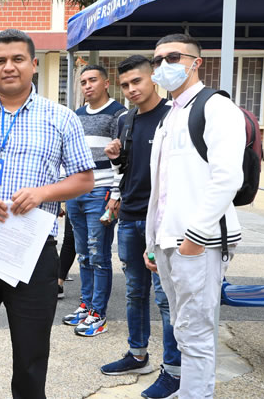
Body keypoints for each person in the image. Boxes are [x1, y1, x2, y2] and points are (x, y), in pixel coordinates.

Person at [0, 29, 95, 397]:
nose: (9, 67)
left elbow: (84, 179)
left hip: (34, 251)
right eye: (0, 61)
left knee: (31, 350)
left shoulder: (61, 118)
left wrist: (44, 192)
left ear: (34, 65)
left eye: (17, 59)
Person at [146, 33, 244, 398]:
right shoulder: (170, 115)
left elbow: (227, 178)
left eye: (172, 57)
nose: (162, 66)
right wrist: (151, 241)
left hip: (198, 244)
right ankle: (190, 390)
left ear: (195, 62)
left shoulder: (216, 107)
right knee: (182, 327)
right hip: (168, 241)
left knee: (198, 330)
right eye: (156, 60)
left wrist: (195, 238)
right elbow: (164, 186)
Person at [100, 55, 180, 398]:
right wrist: (117, 157)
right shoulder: (126, 120)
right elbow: (127, 170)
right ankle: (138, 354)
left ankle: (175, 370)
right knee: (134, 291)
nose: (132, 90)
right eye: (126, 85)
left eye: (137, 82)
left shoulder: (174, 116)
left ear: (153, 80)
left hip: (161, 220)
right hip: (130, 216)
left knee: (165, 297)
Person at [61, 64, 124, 337]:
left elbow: (123, 161)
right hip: (76, 192)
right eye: (83, 81)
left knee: (99, 256)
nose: (87, 86)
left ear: (106, 83)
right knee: (83, 254)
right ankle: (86, 307)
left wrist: (115, 194)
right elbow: (69, 155)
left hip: (102, 193)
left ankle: (99, 313)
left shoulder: (119, 115)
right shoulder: (76, 115)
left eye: (92, 80)